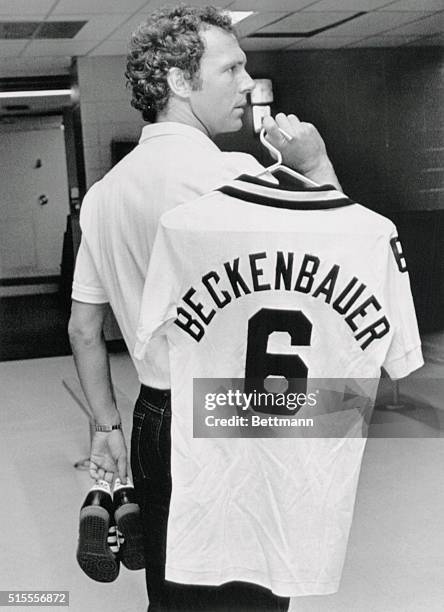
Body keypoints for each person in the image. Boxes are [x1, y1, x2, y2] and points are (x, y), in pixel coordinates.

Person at [68, 5, 341, 610]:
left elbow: (85, 328)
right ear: (178, 81)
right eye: (232, 68)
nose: (249, 84)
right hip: (234, 417)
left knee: (172, 594)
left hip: (153, 419)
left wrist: (107, 429)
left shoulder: (105, 195)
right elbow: (340, 271)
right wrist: (316, 166)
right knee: (252, 593)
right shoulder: (237, 177)